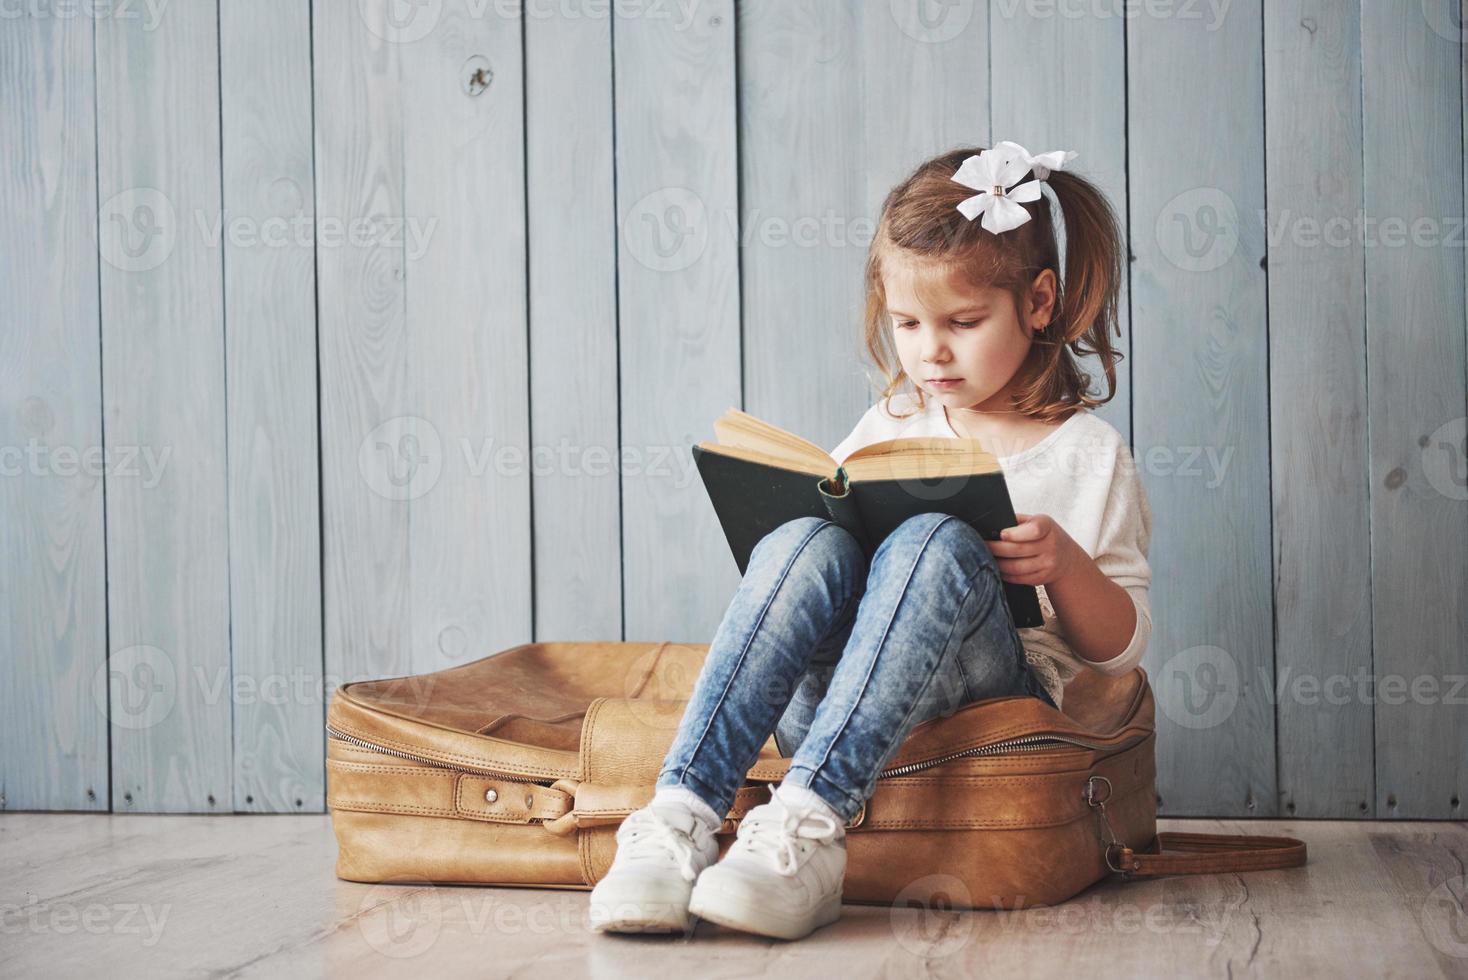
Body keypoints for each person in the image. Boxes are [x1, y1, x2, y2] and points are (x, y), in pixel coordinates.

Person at [589, 141, 1153, 940]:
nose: (932, 352)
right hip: (835, 694)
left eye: (963, 322)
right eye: (908, 325)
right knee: (803, 542)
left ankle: (807, 832)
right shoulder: (891, 425)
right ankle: (678, 816)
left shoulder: (1088, 454)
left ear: (1038, 300)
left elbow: (1119, 651)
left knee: (934, 538)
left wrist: (1064, 567)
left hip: (988, 696)